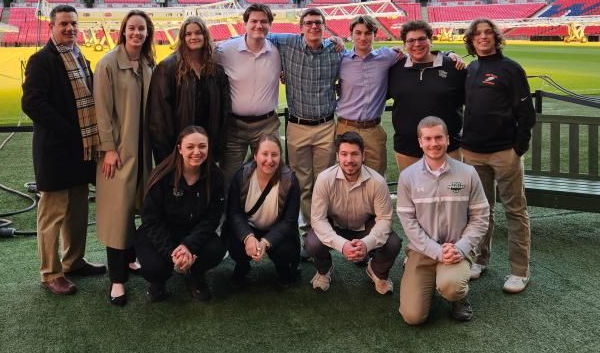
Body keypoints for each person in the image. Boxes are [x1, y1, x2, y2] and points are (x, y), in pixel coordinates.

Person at [21, 4, 105, 296]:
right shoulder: (41, 60)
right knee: (52, 215)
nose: (70, 28)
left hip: (82, 150)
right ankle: (50, 273)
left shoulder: (80, 56)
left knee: (78, 211)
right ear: (52, 27)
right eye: (64, 24)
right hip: (57, 150)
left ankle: (73, 261)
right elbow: (31, 103)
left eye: (73, 24)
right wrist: (67, 130)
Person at [460, 18, 536, 294]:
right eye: (477, 34)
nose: (482, 37)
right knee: (481, 212)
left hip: (504, 153)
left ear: (495, 37)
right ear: (471, 39)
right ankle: (480, 260)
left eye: (487, 33)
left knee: (515, 212)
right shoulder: (471, 68)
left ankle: (519, 270)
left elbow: (526, 114)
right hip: (473, 153)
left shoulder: (511, 69)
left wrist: (517, 149)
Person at [397, 116, 490, 325]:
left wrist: (461, 247)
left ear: (447, 139)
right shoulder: (408, 177)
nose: (433, 144)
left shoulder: (467, 173)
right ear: (420, 142)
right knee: (413, 317)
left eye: (438, 137)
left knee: (451, 287)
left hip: (456, 249)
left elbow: (481, 217)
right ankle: (427, 284)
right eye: (427, 139)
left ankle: (457, 298)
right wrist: (437, 252)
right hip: (422, 252)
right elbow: (408, 223)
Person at [93, 9, 155, 306]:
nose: (137, 33)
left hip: (143, 155)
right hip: (118, 154)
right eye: (132, 28)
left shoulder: (146, 64)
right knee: (118, 216)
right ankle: (117, 280)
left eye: (141, 29)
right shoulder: (107, 64)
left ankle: (132, 260)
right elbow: (102, 112)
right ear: (123, 30)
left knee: (138, 208)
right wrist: (108, 149)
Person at [268, 7, 342, 228]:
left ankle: (322, 228)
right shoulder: (287, 42)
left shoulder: (335, 50)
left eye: (318, 23)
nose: (314, 26)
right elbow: (258, 33)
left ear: (324, 26)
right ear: (301, 28)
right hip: (298, 124)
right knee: (302, 182)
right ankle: (309, 230)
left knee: (324, 181)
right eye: (309, 23)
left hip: (326, 125)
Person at [135, 126, 226, 302]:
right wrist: (172, 253)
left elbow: (211, 219)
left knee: (216, 250)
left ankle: (195, 275)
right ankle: (158, 282)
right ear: (179, 148)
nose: (196, 152)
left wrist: (189, 246)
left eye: (202, 146)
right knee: (154, 268)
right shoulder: (162, 176)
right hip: (161, 234)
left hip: (193, 234)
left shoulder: (215, 177)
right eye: (190, 146)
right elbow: (151, 221)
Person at [304, 131, 401, 294]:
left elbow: (385, 220)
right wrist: (342, 246)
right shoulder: (324, 179)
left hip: (366, 225)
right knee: (312, 242)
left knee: (393, 243)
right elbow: (318, 219)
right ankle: (324, 270)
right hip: (335, 224)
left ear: (363, 155)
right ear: (337, 156)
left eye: (355, 154)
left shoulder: (377, 182)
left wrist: (366, 244)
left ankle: (377, 271)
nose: (349, 160)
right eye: (344, 154)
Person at [148, 16, 231, 166]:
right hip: (178, 151)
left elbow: (224, 112)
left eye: (198, 33)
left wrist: (217, 147)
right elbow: (158, 117)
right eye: (188, 34)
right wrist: (167, 157)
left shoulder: (215, 70)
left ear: (205, 36)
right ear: (182, 38)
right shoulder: (167, 67)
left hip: (207, 149)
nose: (194, 37)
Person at [215, 3, 282, 185]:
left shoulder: (278, 51)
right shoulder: (225, 51)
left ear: (270, 25)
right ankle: (227, 213)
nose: (258, 25)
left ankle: (266, 213)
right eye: (254, 21)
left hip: (266, 124)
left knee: (269, 174)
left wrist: (336, 41)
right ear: (245, 24)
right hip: (233, 126)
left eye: (264, 21)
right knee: (228, 176)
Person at [224, 134, 302, 288]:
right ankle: (242, 265)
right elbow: (234, 212)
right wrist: (248, 237)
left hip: (276, 228)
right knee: (234, 241)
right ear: (255, 155)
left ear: (280, 156)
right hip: (249, 227)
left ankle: (283, 268)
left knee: (286, 250)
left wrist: (266, 242)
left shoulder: (290, 180)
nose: (269, 160)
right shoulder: (242, 175)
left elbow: (289, 221)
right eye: (264, 154)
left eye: (274, 155)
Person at [388, 20, 467, 171]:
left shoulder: (453, 66)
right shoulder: (395, 69)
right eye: (411, 40)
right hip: (407, 148)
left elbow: (469, 102)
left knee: (451, 193)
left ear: (431, 40)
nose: (417, 44)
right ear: (404, 44)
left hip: (447, 148)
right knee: (412, 193)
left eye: (422, 39)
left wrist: (449, 54)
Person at [335, 15, 399, 175]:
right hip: (345, 127)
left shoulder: (387, 56)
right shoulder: (340, 60)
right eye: (358, 33)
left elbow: (418, 53)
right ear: (351, 34)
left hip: (373, 130)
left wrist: (449, 54)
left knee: (375, 179)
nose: (363, 37)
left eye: (368, 33)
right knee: (345, 178)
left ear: (374, 35)